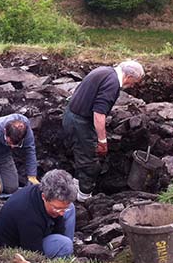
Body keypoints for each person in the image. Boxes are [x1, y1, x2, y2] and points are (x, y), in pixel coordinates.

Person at [62, 60, 144, 200]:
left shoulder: (103, 71)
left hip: (72, 114)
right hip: (80, 122)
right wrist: (102, 140)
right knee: (90, 162)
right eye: (134, 83)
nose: (131, 86)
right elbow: (99, 114)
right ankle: (84, 198)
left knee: (81, 154)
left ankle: (76, 186)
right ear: (129, 77)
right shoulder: (112, 84)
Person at [0, 169, 77, 259]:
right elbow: (34, 255)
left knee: (70, 209)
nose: (61, 213)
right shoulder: (28, 215)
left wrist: (58, 231)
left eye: (63, 209)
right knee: (65, 245)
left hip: (35, 235)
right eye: (57, 208)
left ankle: (66, 254)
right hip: (12, 250)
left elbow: (59, 221)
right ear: (44, 197)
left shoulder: (44, 191)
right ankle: (63, 257)